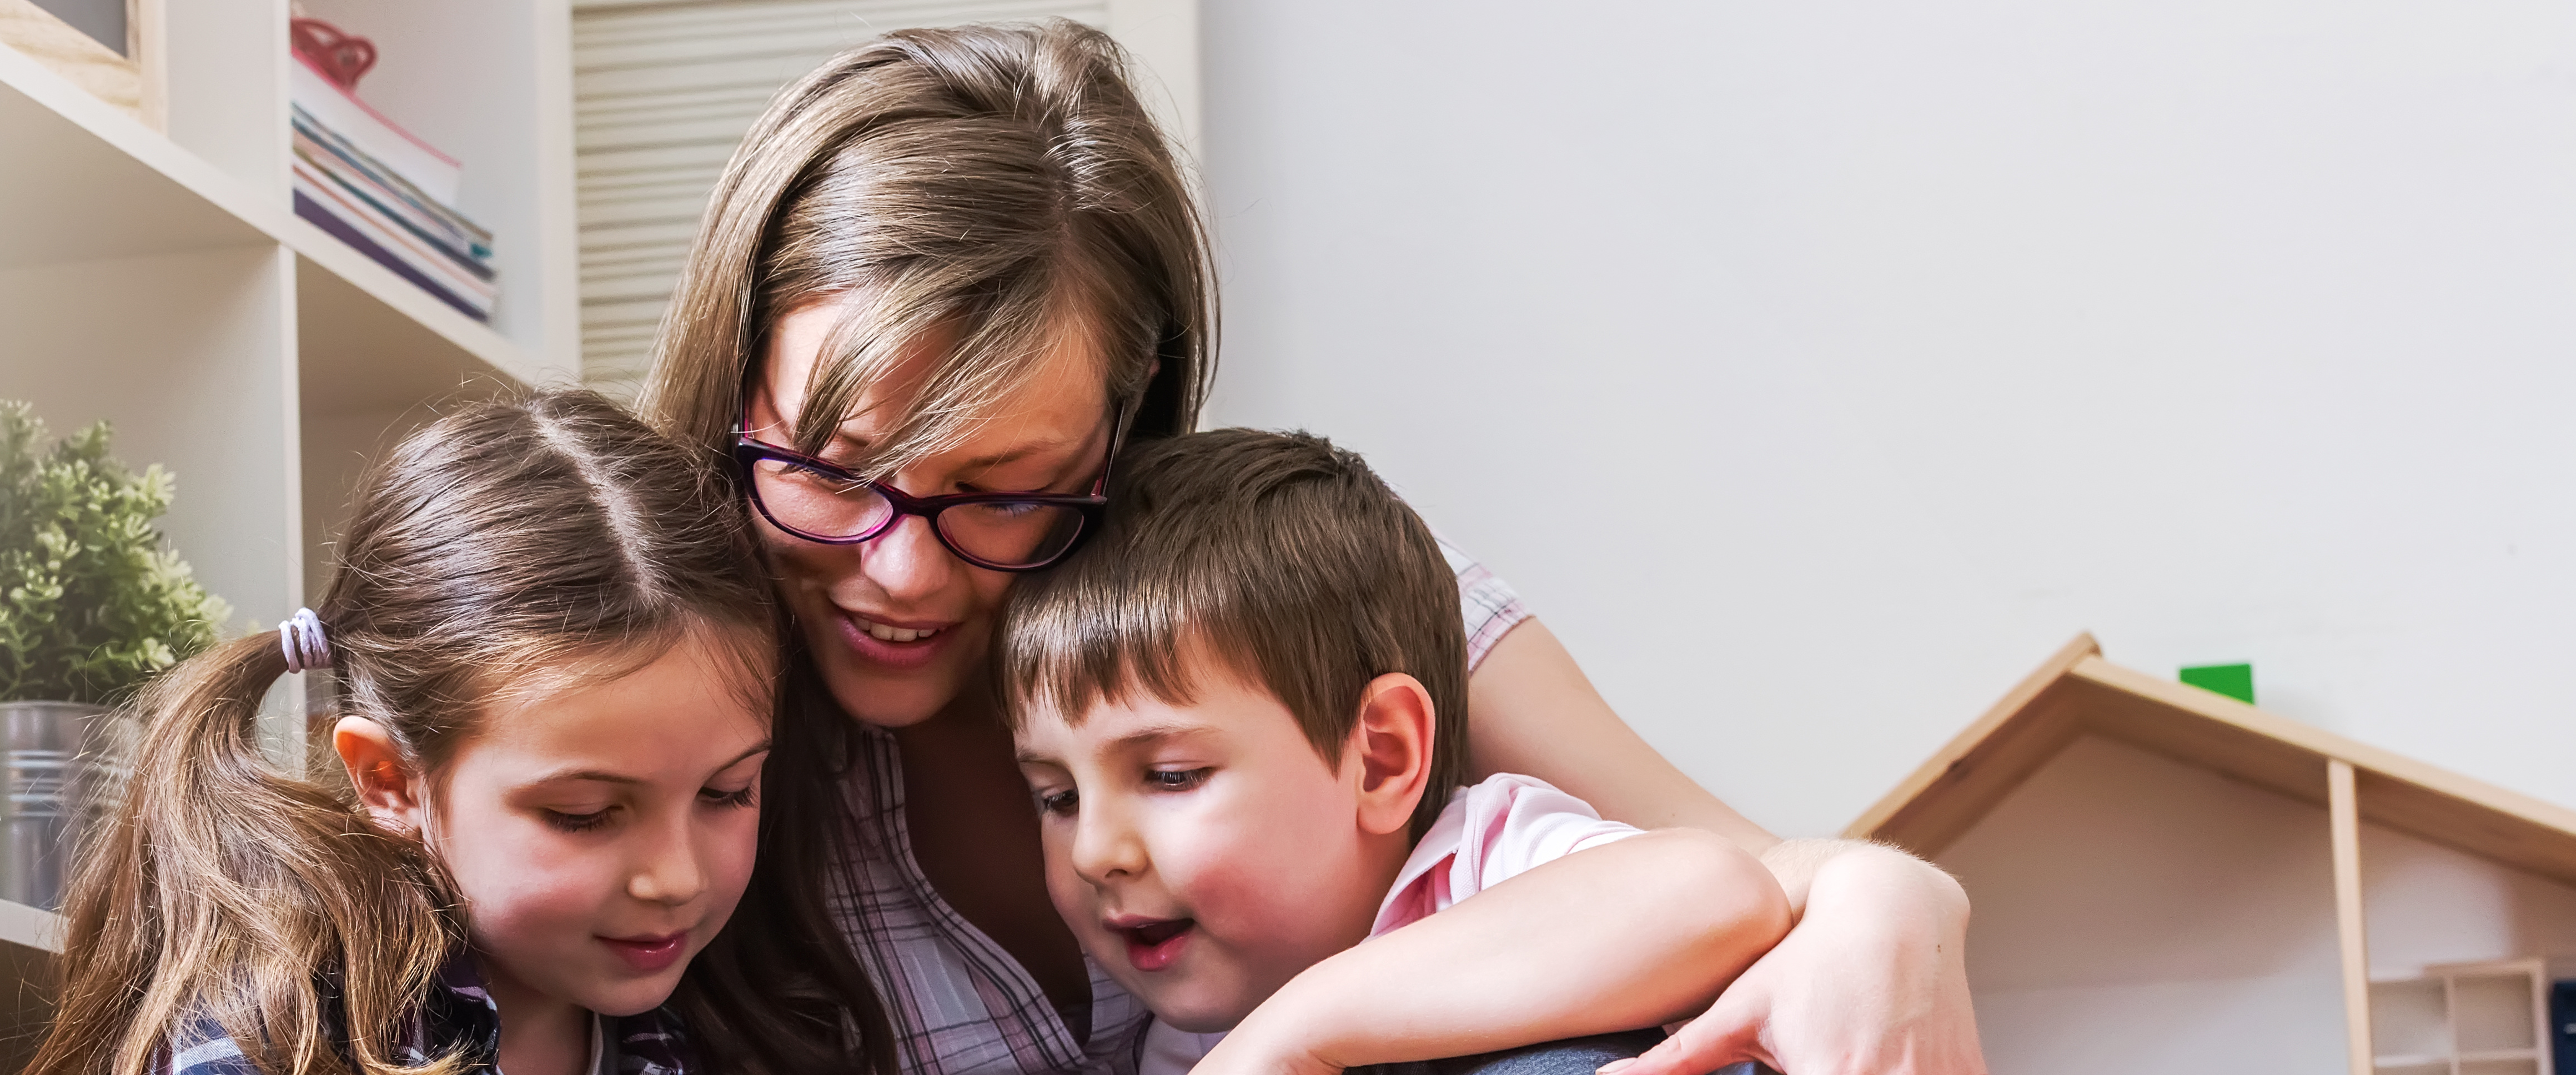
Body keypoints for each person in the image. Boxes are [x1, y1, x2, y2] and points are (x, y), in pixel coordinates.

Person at [642, 20, 1983, 1075]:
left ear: (1123, 419)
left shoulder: (1286, 603)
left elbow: (1747, 875)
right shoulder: (644, 714)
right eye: (828, 473)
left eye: (1004, 489)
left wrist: (1890, 900)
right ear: (731, 401)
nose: (904, 572)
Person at [26, 391, 881, 1075]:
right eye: (584, 814)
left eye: (726, 793)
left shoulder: (740, 1035)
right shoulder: (271, 1045)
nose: (677, 877)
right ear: (390, 781)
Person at [1000, 429, 1790, 1075]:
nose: (1096, 852)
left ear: (1379, 757)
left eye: (1171, 776)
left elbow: (1718, 891)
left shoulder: (1480, 863)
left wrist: (1304, 1027)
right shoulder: (1186, 1051)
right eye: (1057, 798)